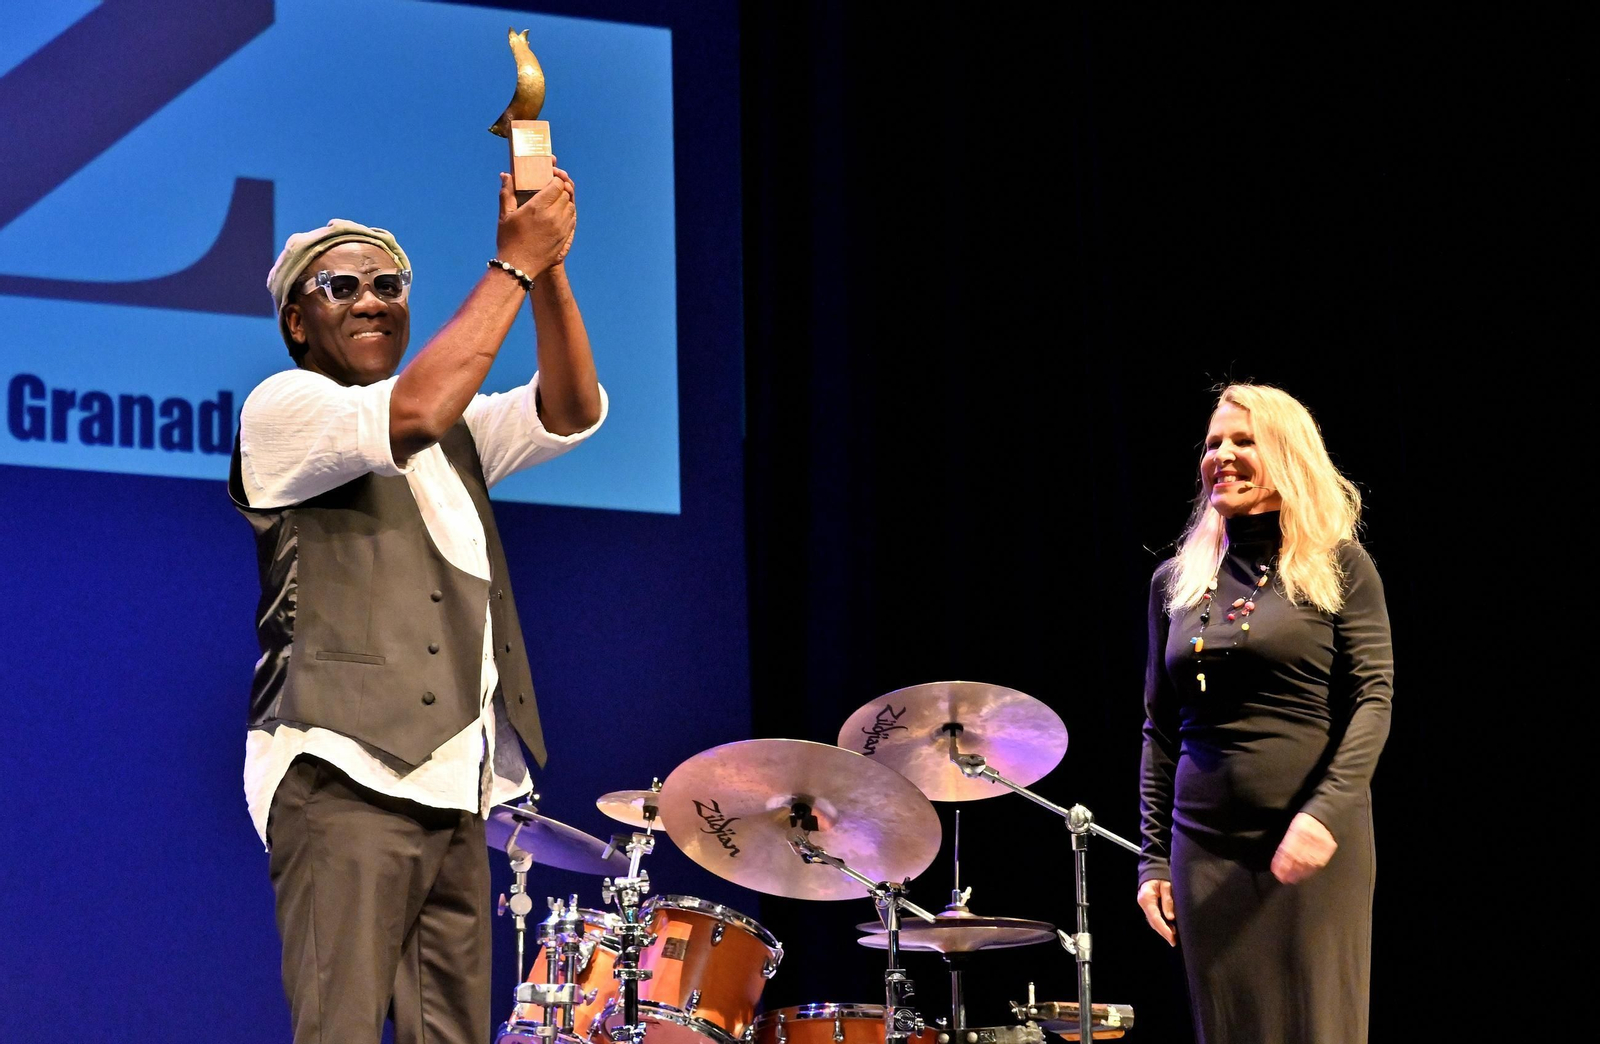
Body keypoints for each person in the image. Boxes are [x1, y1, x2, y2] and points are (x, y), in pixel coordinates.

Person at [228, 168, 605, 1043]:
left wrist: (548, 268)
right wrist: (512, 265)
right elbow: (419, 409)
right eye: (342, 287)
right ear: (298, 322)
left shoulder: (458, 431)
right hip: (343, 772)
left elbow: (572, 407)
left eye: (389, 286)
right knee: (344, 1030)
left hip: (455, 785)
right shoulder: (287, 407)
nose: (371, 301)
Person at [1135, 383, 1393, 1043]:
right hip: (1205, 847)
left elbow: (1373, 697)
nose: (1222, 453)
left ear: (1287, 456)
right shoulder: (1176, 580)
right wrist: (1153, 860)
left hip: (1309, 842)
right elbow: (1161, 729)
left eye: (1243, 440)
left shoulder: (1337, 565)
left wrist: (1323, 813)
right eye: (1214, 441)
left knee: (1317, 1027)